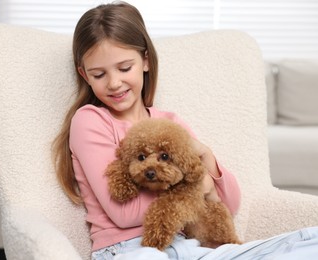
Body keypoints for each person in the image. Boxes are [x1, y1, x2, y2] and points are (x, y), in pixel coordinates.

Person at [52, 2, 318, 259]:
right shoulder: (90, 120)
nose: (114, 83)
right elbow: (122, 212)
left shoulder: (170, 122)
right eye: (99, 75)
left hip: (190, 246)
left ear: (145, 61)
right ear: (84, 75)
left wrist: (206, 157)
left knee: (310, 241)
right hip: (129, 249)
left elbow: (228, 203)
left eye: (124, 68)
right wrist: (194, 190)